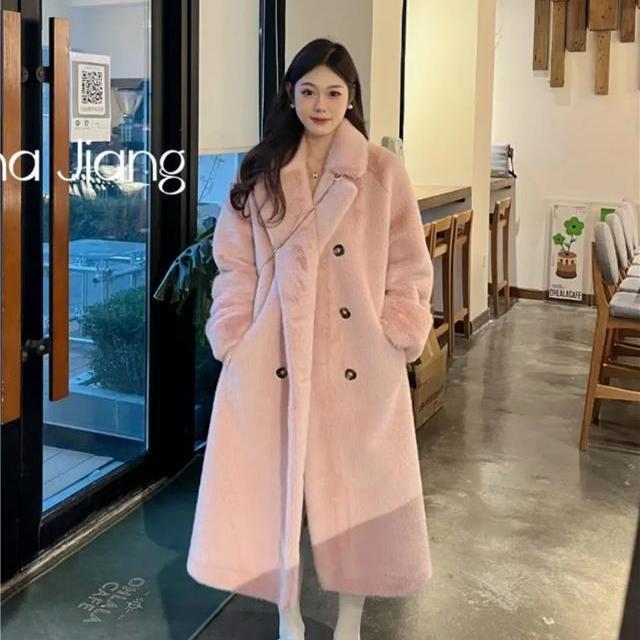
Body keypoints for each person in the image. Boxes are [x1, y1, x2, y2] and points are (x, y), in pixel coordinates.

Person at [187, 38, 434, 640]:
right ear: (290, 95)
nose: (320, 105)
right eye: (308, 91)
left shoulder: (381, 171)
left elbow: (409, 263)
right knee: (275, 487)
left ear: (351, 99)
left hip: (358, 357)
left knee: (359, 492)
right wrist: (233, 331)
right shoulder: (260, 170)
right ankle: (286, 612)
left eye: (333, 92)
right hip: (272, 353)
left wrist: (398, 329)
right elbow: (234, 263)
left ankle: (350, 619)